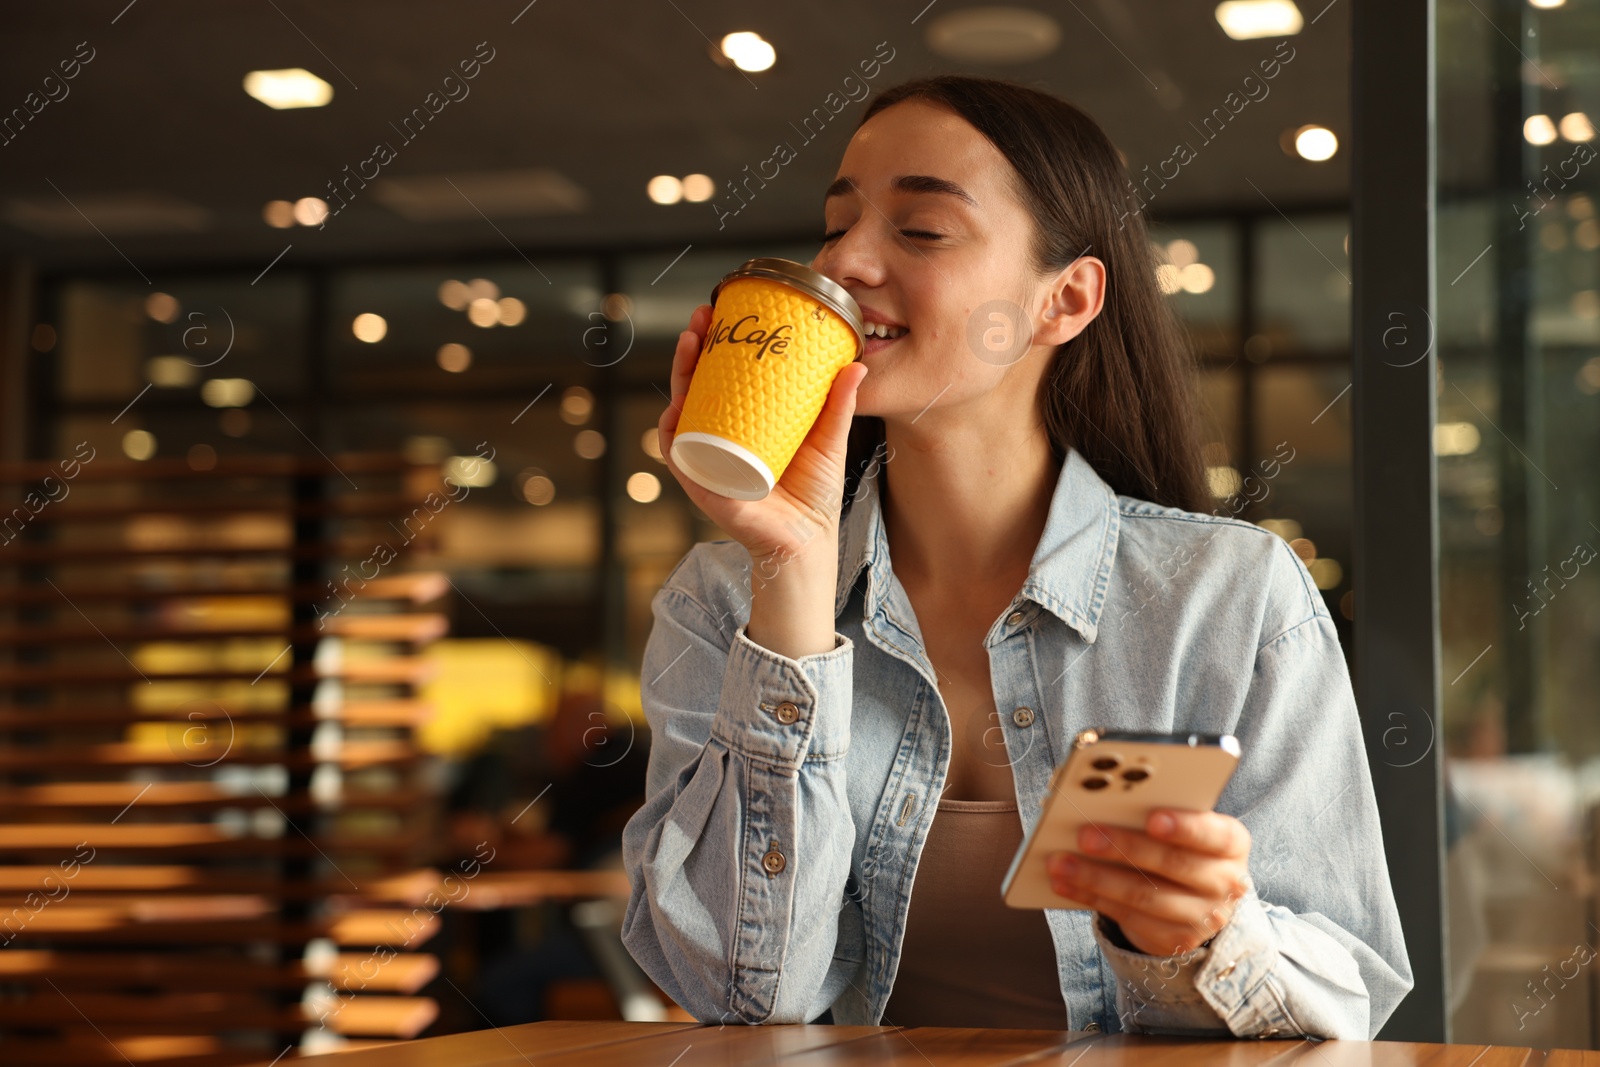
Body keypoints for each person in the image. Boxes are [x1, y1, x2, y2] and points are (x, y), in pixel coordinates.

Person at [620, 74, 1412, 1038]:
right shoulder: (720, 600)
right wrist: (788, 571)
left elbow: (1350, 989)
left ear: (1065, 299)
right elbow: (745, 995)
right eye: (837, 224)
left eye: (920, 230)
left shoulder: (1227, 597)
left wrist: (1203, 937)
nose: (846, 261)